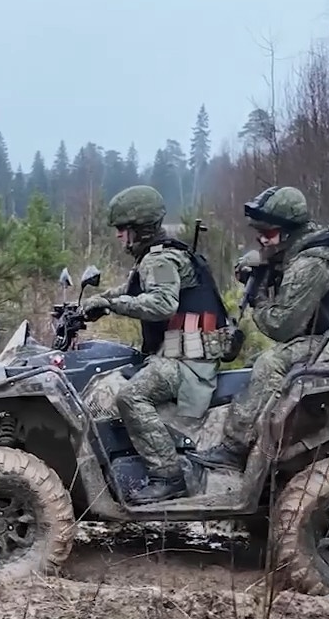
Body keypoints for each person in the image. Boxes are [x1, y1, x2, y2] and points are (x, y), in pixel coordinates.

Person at [195, 186, 329, 473]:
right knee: (263, 363)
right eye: (259, 233)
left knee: (271, 363)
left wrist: (259, 299)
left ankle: (235, 448)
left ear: (290, 231)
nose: (262, 240)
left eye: (268, 234)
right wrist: (260, 264)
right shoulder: (303, 245)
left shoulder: (313, 262)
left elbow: (281, 326)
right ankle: (272, 440)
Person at [73, 185, 234, 505]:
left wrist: (113, 306)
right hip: (187, 351)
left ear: (139, 229)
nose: (118, 236)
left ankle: (168, 477)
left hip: (190, 358)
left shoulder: (158, 259)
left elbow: (162, 305)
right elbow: (131, 290)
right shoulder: (158, 256)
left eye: (122, 229)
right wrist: (100, 301)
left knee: (131, 396)